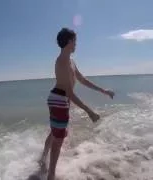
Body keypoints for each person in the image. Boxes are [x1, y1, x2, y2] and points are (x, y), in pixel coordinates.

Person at [39, 27, 115, 180]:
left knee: (55, 133)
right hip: (59, 100)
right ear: (69, 41)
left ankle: (42, 159)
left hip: (59, 99)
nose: (76, 44)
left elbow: (82, 79)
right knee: (58, 140)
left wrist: (103, 90)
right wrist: (89, 111)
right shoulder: (62, 62)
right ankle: (51, 175)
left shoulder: (71, 61)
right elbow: (69, 93)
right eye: (75, 41)